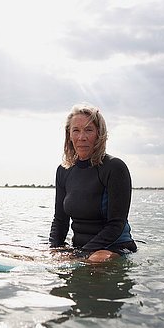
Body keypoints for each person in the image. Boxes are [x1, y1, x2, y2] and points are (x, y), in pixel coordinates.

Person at [49, 104, 137, 263]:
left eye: (88, 130)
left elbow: (116, 224)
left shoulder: (114, 167)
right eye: (76, 130)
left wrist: (82, 255)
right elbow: (60, 220)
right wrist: (54, 250)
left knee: (96, 261)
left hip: (114, 246)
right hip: (80, 248)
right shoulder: (63, 171)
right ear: (69, 135)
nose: (81, 137)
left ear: (99, 134)